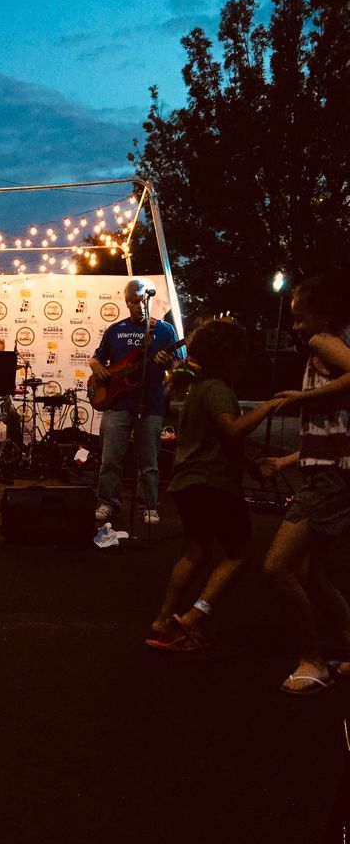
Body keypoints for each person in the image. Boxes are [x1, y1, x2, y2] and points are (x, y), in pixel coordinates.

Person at [146, 320, 282, 651]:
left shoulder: (198, 388)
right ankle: (194, 616)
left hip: (188, 483)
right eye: (241, 357)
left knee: (195, 553)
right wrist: (269, 405)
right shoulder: (218, 388)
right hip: (214, 483)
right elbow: (233, 430)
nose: (244, 364)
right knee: (239, 555)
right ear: (226, 358)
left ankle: (163, 620)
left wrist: (251, 467)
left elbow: (218, 438)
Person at [260, 276, 350, 695]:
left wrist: (297, 399)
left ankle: (313, 661)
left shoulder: (323, 343)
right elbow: (336, 428)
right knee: (314, 575)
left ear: (323, 315)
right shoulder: (330, 346)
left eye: (301, 317)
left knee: (277, 567)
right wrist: (289, 458)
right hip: (331, 471)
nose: (296, 327)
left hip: (330, 479)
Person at [89, 278, 181, 525]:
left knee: (149, 461)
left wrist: (168, 363)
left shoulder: (164, 330)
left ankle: (148, 505)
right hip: (116, 404)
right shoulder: (115, 330)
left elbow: (179, 366)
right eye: (132, 302)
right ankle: (108, 503)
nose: (137, 306)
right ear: (126, 302)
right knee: (110, 459)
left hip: (150, 403)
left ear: (147, 299)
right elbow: (96, 359)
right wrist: (97, 369)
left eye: (141, 301)